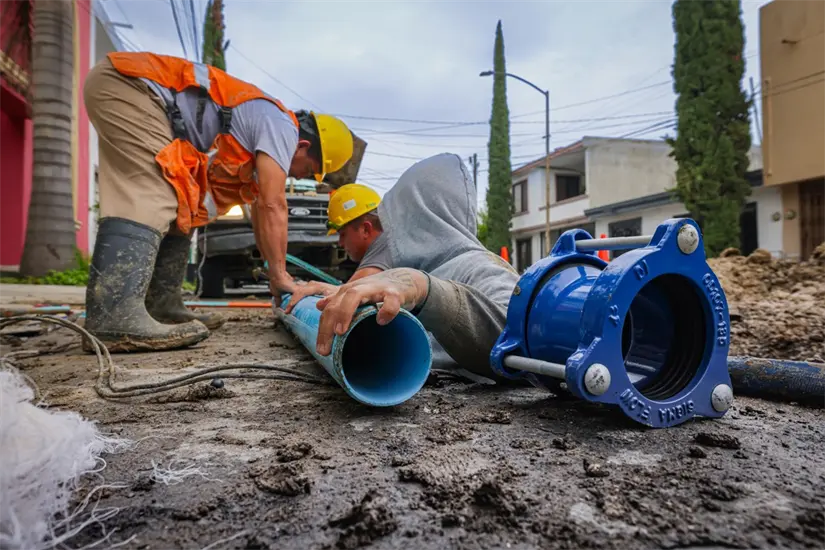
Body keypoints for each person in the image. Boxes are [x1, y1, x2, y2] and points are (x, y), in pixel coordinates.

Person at [82, 51, 354, 352]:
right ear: (302, 145)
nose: (299, 176)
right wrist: (279, 274)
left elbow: (261, 213)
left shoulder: (263, 133)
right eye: (307, 170)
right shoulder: (282, 126)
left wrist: (275, 272)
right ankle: (112, 318)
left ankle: (162, 304)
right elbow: (273, 204)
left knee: (184, 205)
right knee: (150, 192)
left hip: (132, 87)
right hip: (131, 86)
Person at [283, 153, 521, 381]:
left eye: (395, 222)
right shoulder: (407, 272)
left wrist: (424, 290)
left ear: (423, 218)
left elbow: (522, 343)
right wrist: (335, 294)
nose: (389, 235)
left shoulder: (481, 268)